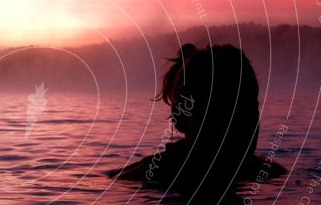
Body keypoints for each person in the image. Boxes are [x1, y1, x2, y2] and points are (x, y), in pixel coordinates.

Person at [109, 43, 285, 195]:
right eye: (218, 112)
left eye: (247, 110)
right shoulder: (148, 177)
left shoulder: (270, 174)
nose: (237, 126)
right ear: (180, 118)